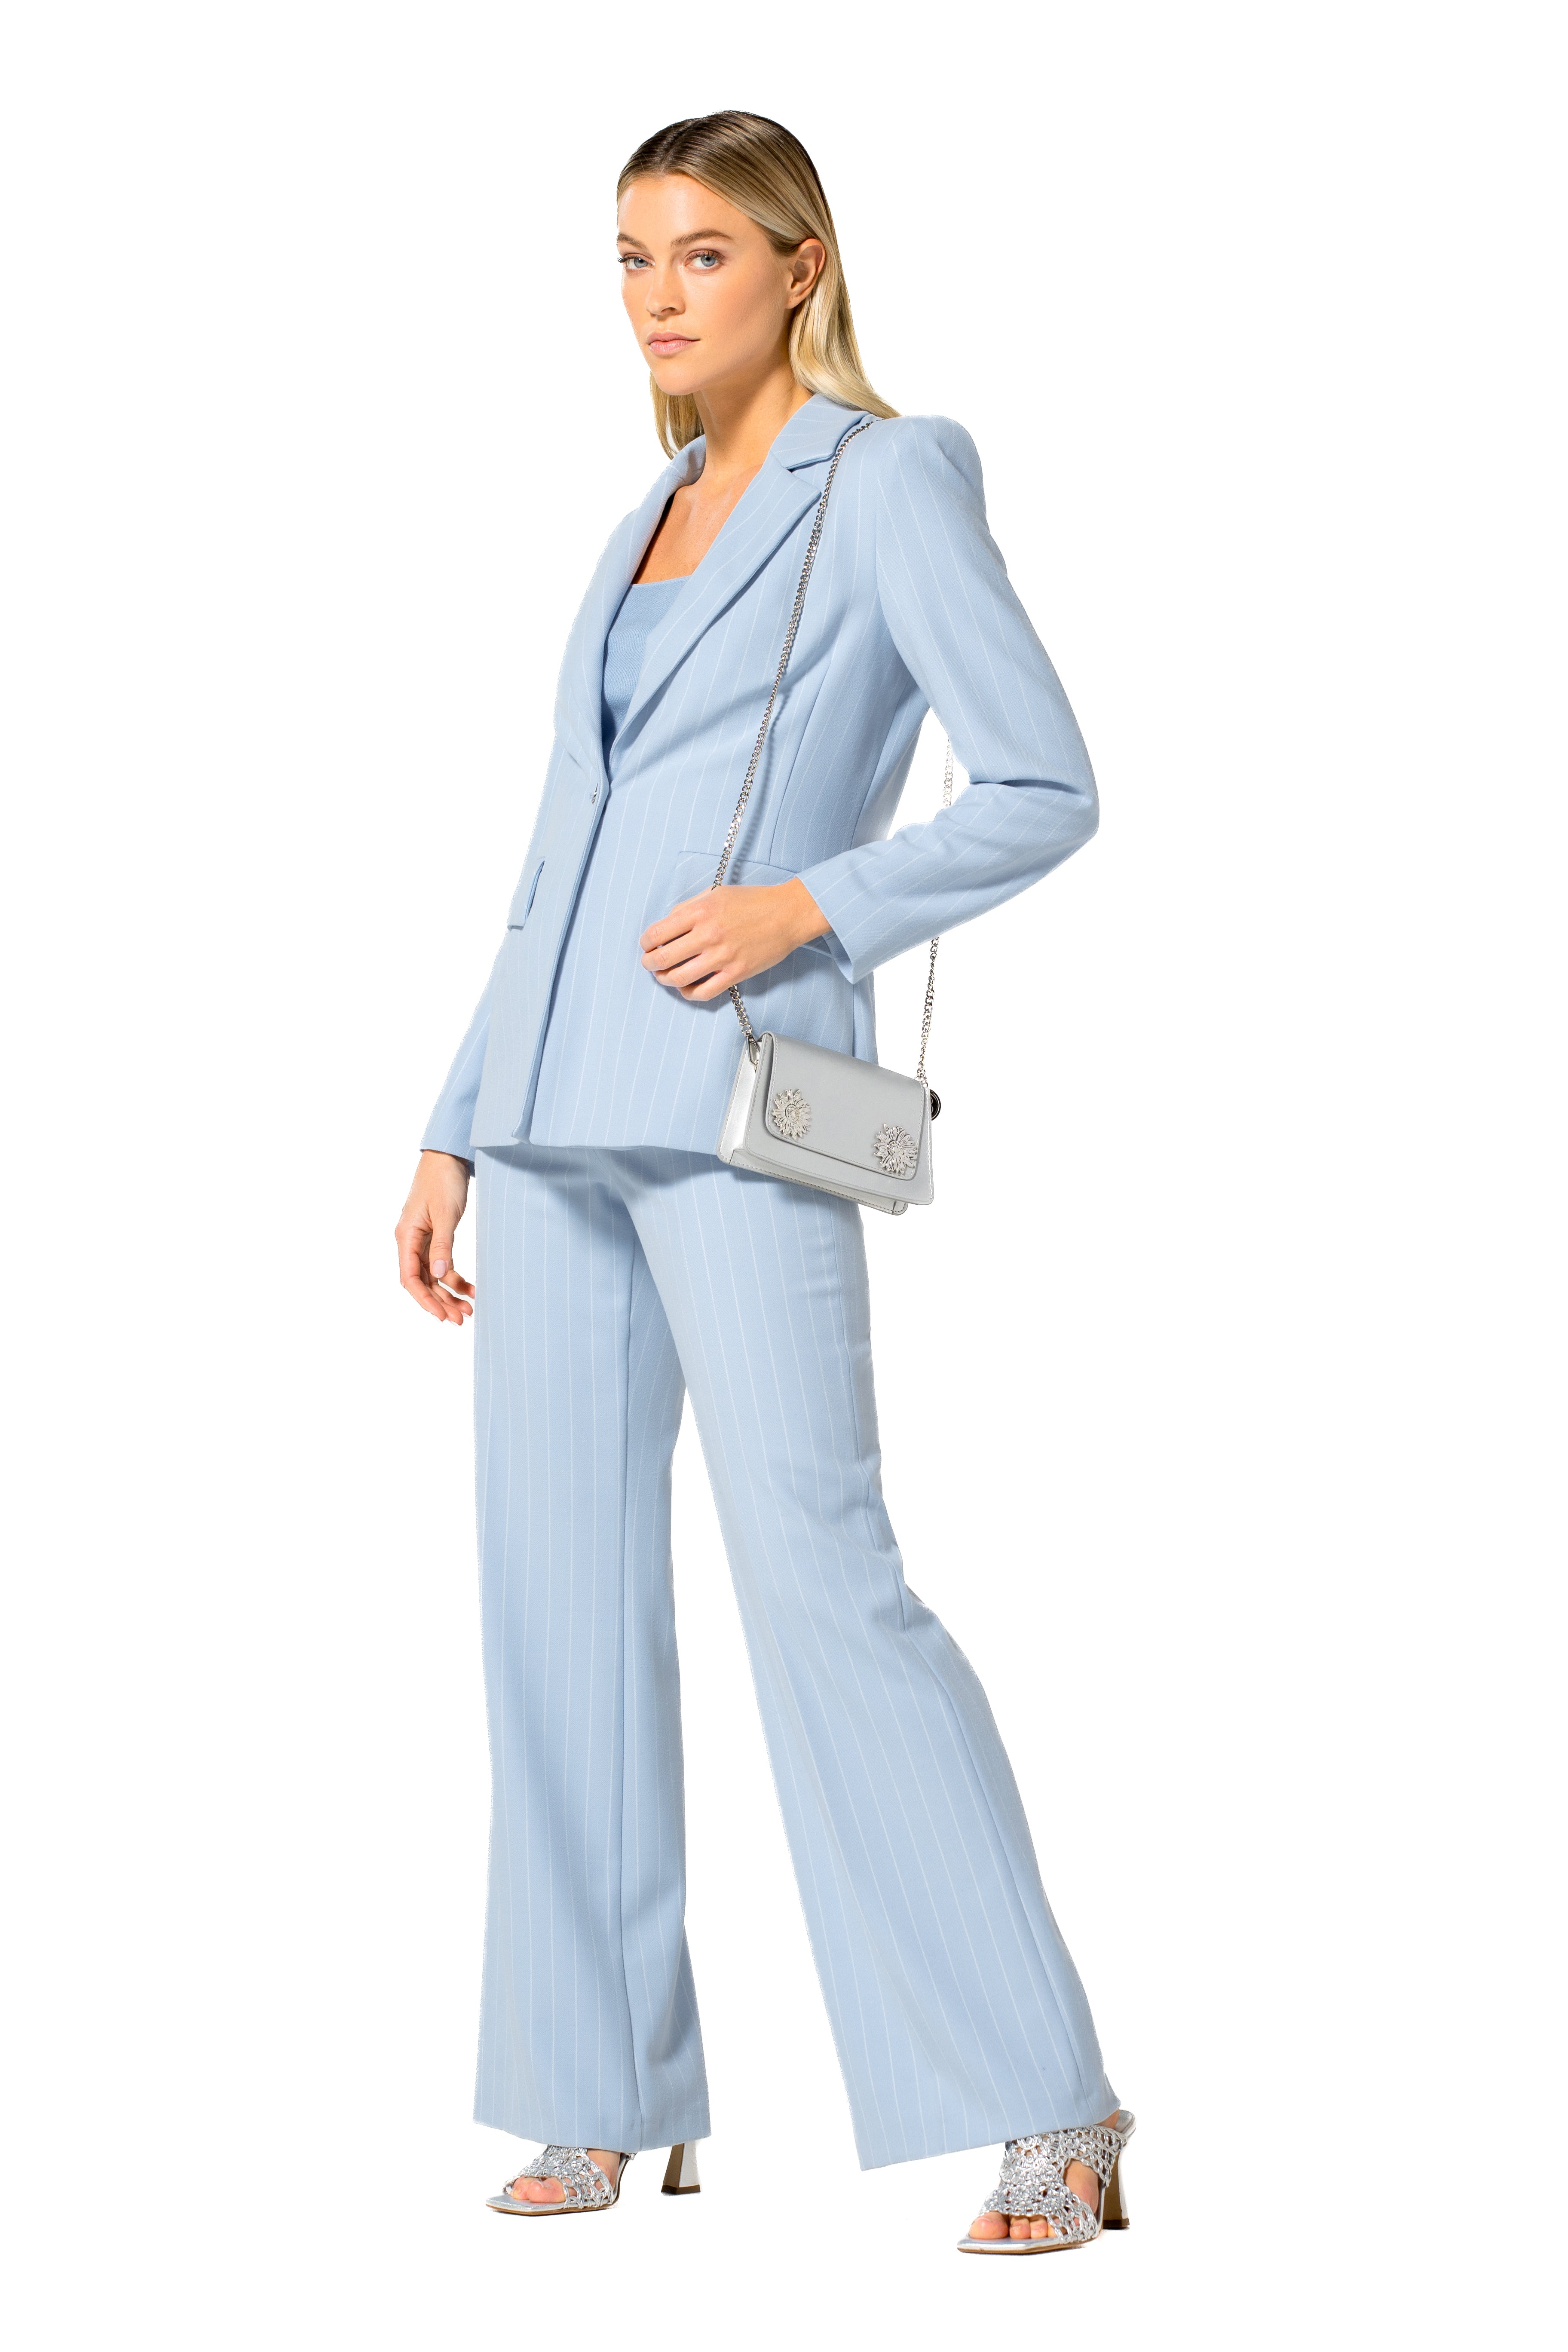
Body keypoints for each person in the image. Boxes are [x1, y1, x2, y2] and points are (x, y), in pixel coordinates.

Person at [395, 110, 1132, 2255]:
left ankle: (1047, 2102)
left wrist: (815, 903)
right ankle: (593, 2091)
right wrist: (452, 1117)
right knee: (552, 1608)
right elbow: (559, 853)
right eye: (630, 258)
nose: (657, 296)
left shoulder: (888, 480)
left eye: (701, 253)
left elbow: (1044, 782)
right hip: (550, 1121)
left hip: (739, 1105)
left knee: (825, 1584)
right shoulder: (636, 523)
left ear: (800, 264)